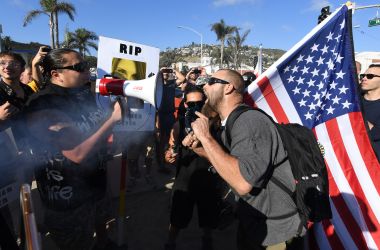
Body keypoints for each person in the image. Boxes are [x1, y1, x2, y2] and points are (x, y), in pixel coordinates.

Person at [184, 69, 305, 249]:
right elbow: (230, 166)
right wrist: (201, 148)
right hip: (255, 223)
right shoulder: (233, 122)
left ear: (229, 88)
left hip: (275, 233)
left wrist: (206, 137)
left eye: (211, 81)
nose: (205, 85)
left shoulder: (249, 121)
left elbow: (242, 182)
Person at [25, 48, 122, 250]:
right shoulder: (43, 104)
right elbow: (76, 152)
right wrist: (113, 120)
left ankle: (103, 244)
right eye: (79, 67)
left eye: (86, 64)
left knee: (101, 221)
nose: (87, 70)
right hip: (68, 198)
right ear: (56, 74)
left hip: (94, 182)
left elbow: (94, 127)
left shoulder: (83, 95)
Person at [164, 84, 220, 250]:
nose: (194, 107)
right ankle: (170, 243)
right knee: (177, 219)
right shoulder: (178, 125)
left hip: (208, 181)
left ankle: (207, 240)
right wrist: (170, 156)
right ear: (185, 104)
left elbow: (219, 158)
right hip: (184, 180)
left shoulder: (215, 126)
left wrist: (198, 146)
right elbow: (170, 150)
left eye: (199, 103)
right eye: (190, 104)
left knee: (208, 219)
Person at [0, 51, 33, 250]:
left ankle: (25, 236)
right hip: (3, 160)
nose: (6, 66)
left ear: (21, 68)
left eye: (12, 63)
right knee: (3, 205)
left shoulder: (28, 91)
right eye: (2, 63)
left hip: (28, 154)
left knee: (25, 199)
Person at [157, 66, 185, 173]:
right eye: (163, 72)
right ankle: (161, 164)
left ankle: (169, 160)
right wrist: (160, 72)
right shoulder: (156, 85)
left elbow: (182, 79)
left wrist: (173, 70)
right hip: (160, 115)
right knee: (160, 142)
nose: (165, 73)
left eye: (166, 72)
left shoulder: (171, 84)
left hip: (170, 115)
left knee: (171, 139)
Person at [360, 64, 380, 160]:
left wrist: (354, 116)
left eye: (370, 76)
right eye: (362, 75)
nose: (364, 78)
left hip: (373, 163)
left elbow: (375, 133)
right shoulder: (352, 101)